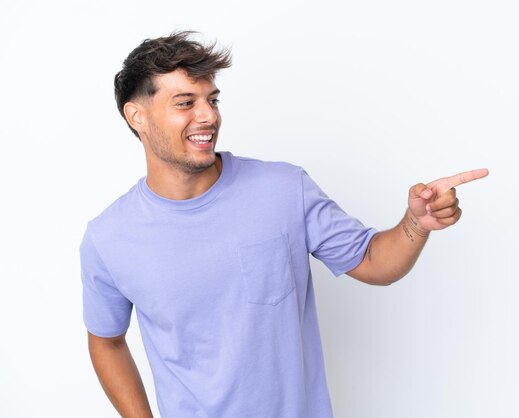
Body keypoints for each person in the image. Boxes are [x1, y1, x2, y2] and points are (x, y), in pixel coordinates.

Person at [80, 31, 488, 418]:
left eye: (213, 100)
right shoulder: (109, 237)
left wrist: (416, 223)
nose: (208, 116)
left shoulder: (283, 189)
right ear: (137, 116)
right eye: (186, 103)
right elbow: (107, 341)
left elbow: (374, 263)